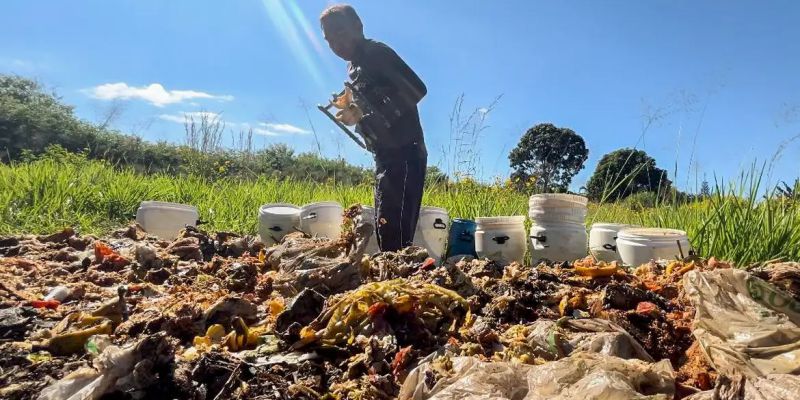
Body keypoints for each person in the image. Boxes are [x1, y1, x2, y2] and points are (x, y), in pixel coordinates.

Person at [320, 4, 428, 252]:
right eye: (329, 39)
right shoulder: (354, 66)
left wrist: (366, 112)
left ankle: (399, 283)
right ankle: (393, 279)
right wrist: (353, 112)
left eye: (340, 32)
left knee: (396, 232)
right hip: (385, 153)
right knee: (386, 225)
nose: (336, 42)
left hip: (405, 151)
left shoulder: (376, 53)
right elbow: (370, 102)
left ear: (358, 27)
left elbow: (416, 88)